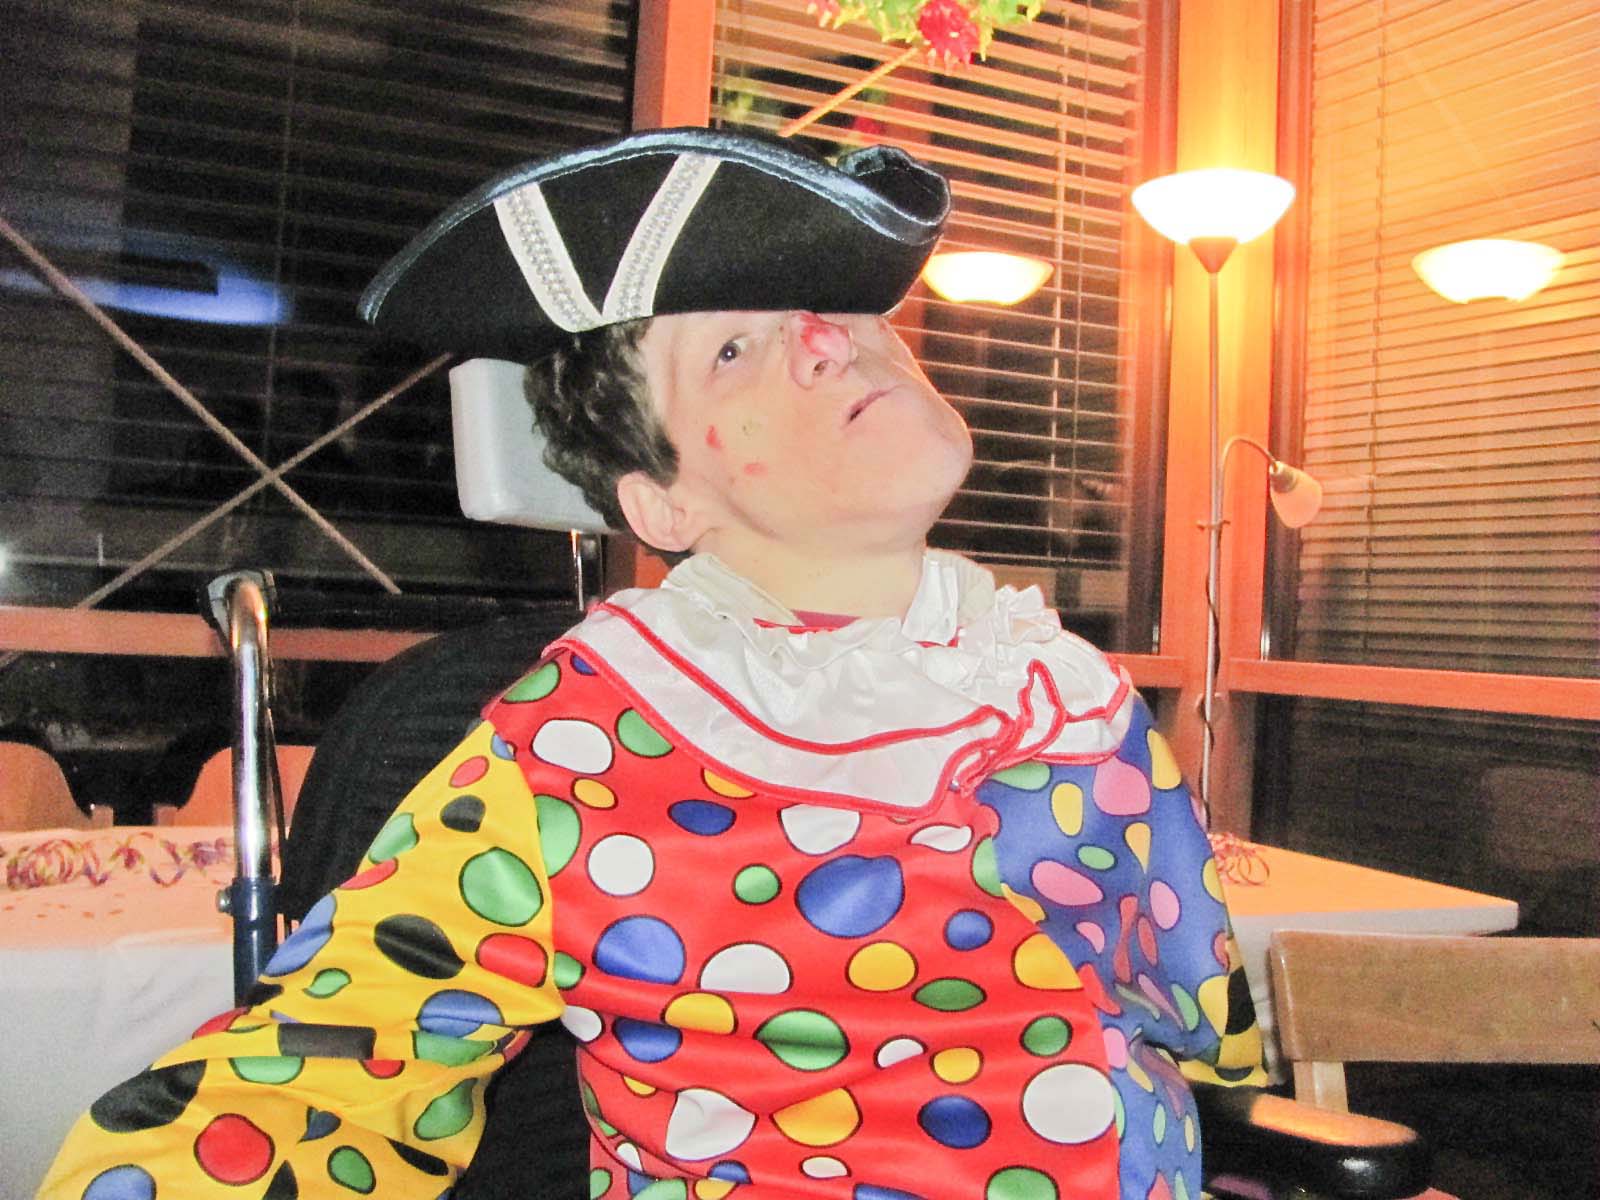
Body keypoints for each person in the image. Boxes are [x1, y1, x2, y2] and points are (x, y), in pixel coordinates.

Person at [40, 127, 1264, 1200]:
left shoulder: (1065, 690)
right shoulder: (582, 744)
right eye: (731, 352)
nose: (832, 342)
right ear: (662, 502)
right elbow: (325, 1063)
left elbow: (1200, 1029)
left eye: (837, 311)